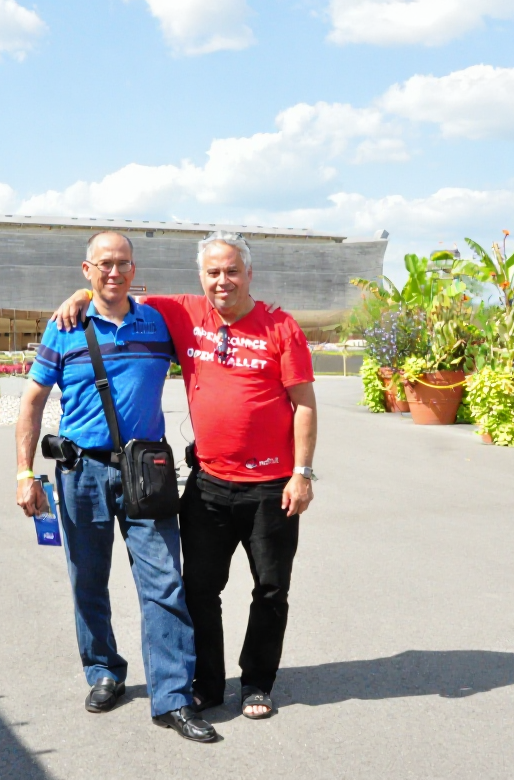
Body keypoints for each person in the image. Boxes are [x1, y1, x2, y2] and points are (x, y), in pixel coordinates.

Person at [50, 230, 318, 720]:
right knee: (196, 589)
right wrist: (82, 294)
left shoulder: (281, 327)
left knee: (270, 589)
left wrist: (302, 473)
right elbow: (114, 291)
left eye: (232, 271)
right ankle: (207, 685)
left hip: (272, 486)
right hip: (208, 484)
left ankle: (257, 683)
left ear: (249, 273)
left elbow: (304, 404)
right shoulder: (183, 313)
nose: (222, 280)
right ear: (201, 276)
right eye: (213, 272)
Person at [15, 230, 217, 743]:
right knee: (88, 579)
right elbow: (33, 401)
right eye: (103, 264)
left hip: (145, 472)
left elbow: (214, 324)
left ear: (134, 270)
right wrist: (24, 473)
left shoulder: (157, 322)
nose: (114, 271)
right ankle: (104, 670)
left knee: (164, 581)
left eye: (123, 263)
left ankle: (172, 697)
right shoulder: (65, 326)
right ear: (86, 270)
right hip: (80, 473)